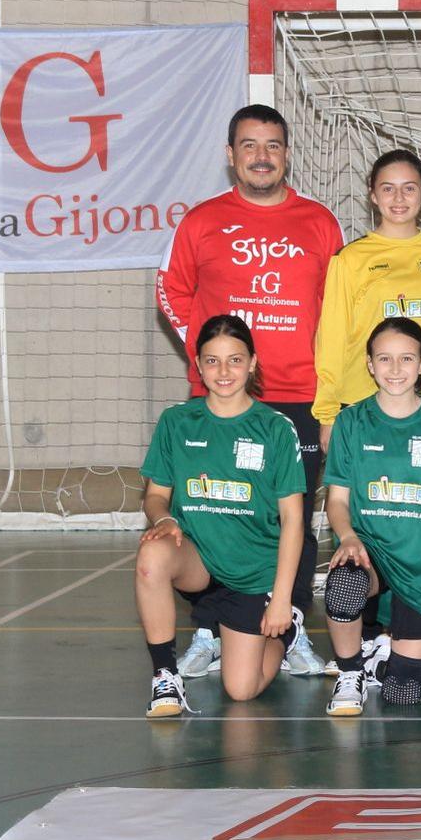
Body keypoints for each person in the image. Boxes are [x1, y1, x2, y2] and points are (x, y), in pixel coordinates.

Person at [155, 104, 342, 680]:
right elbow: (170, 291)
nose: (262, 156)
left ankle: (290, 628)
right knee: (211, 510)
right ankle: (210, 630)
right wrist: (210, 359)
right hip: (219, 399)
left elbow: (338, 312)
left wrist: (332, 391)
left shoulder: (319, 222)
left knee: (295, 517)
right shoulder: (200, 222)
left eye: (273, 145)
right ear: (230, 154)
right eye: (250, 145)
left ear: (287, 154)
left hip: (299, 396)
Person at [310, 148, 421, 679]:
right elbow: (332, 338)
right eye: (388, 187)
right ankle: (372, 639)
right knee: (371, 520)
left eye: (409, 187)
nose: (398, 197)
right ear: (372, 195)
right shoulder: (352, 259)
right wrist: (329, 410)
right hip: (366, 410)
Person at [134, 316, 307, 718]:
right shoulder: (177, 422)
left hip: (252, 572)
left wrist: (281, 600)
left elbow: (293, 520)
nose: (224, 372)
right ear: (197, 364)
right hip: (196, 560)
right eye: (212, 361)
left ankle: (288, 633)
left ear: (253, 363)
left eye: (234, 360)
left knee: (241, 690)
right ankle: (165, 676)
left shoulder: (275, 429)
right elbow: (156, 496)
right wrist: (163, 519)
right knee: (151, 557)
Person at [317, 317, 421, 717]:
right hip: (371, 554)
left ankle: (381, 659)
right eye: (384, 358)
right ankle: (351, 672)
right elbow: (337, 500)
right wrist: (347, 535)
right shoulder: (351, 422)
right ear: (369, 364)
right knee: (345, 584)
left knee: (403, 696)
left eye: (406, 359)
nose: (395, 369)